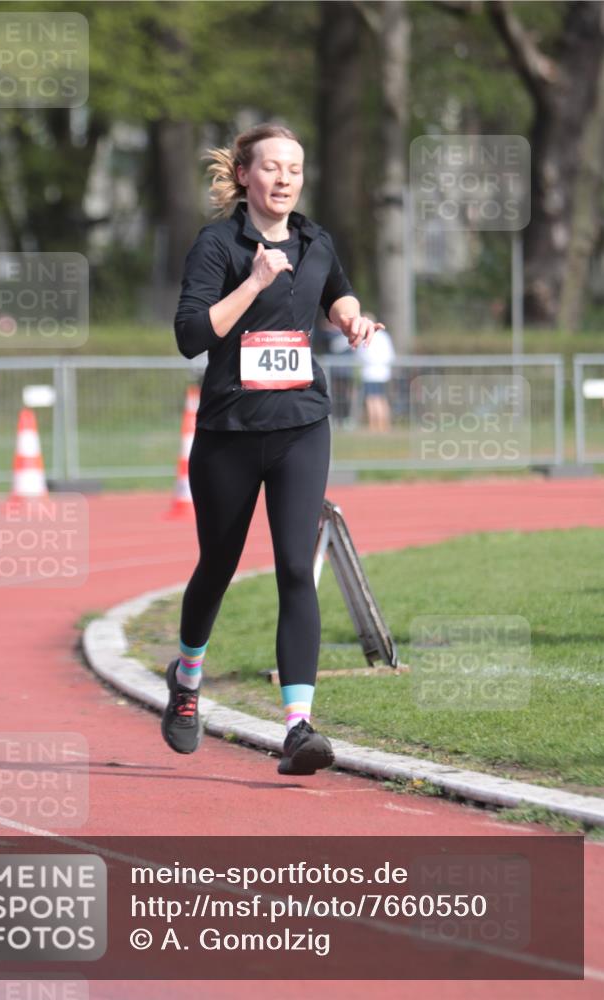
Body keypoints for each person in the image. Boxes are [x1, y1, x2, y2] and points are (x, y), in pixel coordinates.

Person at [163, 122, 385, 775]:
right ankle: (186, 679)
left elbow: (334, 289)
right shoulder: (216, 245)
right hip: (229, 433)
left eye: (294, 167)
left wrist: (351, 317)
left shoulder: (315, 240)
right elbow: (189, 335)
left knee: (295, 566)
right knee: (217, 567)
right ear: (243, 177)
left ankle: (297, 728)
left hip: (300, 426)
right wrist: (255, 281)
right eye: (271, 167)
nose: (284, 178)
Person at [359, 313, 395, 432]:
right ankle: (384, 425)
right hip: (383, 372)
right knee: (382, 399)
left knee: (372, 400)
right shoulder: (385, 336)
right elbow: (390, 355)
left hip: (370, 372)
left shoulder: (365, 336)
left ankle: (374, 426)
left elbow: (361, 355)